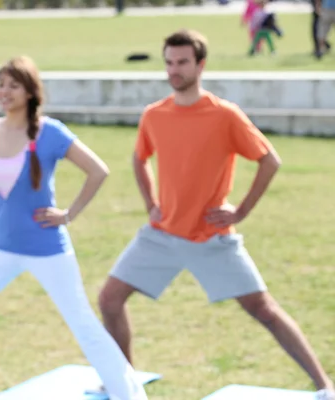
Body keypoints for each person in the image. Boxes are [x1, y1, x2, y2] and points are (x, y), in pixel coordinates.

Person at [97, 29, 335, 400]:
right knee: (109, 299)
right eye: (169, 62)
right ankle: (125, 383)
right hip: (161, 234)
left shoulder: (224, 115)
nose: (174, 70)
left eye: (182, 62)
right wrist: (150, 201)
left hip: (211, 236)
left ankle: (325, 386)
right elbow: (139, 157)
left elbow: (269, 160)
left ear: (200, 65)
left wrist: (240, 210)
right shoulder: (154, 115)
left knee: (264, 309)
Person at [0, 55, 148, 400]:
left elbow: (98, 170)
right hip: (1, 246)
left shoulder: (50, 132)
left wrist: (68, 213)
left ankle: (130, 395)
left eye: (13, 85)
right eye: (1, 84)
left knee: (85, 326)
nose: (4, 91)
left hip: (48, 249)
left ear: (30, 91)